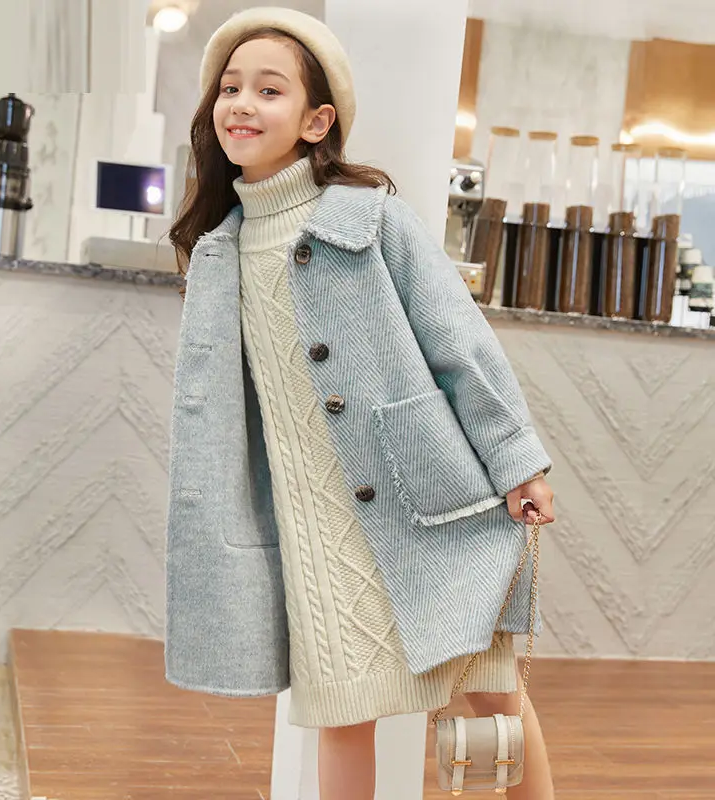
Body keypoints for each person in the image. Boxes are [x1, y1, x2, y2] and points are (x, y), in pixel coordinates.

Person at [164, 7, 556, 799]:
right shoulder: (218, 252)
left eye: (269, 89)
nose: (242, 104)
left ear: (317, 121)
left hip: (426, 499)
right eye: (230, 88)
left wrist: (519, 463)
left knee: (491, 696)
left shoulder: (370, 220)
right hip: (316, 526)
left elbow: (460, 344)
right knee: (343, 712)